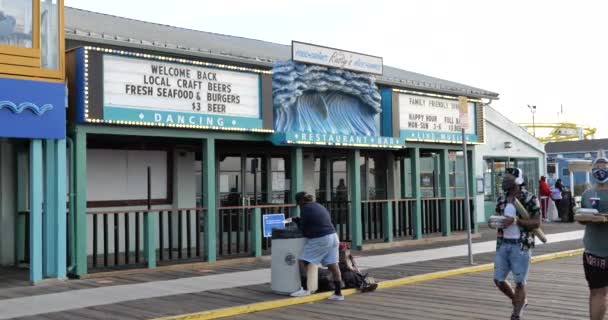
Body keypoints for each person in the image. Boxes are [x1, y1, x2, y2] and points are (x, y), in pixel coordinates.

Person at [492, 168, 541, 320]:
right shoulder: (501, 199)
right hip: (503, 244)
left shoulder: (530, 198)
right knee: (498, 280)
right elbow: (498, 219)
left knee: (520, 283)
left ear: (518, 181)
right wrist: (494, 223)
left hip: (521, 246)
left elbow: (537, 223)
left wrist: (515, 221)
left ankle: (516, 315)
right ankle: (518, 301)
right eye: (505, 177)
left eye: (509, 177)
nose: (505, 180)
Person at [290, 192, 343, 301]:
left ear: (300, 201)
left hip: (321, 238)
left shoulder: (305, 209)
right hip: (333, 236)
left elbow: (303, 230)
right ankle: (338, 294)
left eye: (298, 202)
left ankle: (304, 290)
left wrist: (297, 221)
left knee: (302, 261)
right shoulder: (319, 205)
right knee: (333, 265)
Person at [578, 156, 608, 320]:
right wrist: (583, 218)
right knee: (597, 292)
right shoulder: (587, 194)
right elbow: (583, 217)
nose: (600, 171)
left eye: (604, 168)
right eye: (597, 168)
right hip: (593, 251)